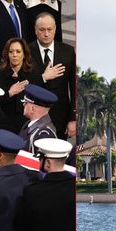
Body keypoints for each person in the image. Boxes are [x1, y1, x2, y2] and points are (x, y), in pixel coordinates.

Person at [29, 12, 76, 141]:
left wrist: (73, 119)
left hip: (60, 118)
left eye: (49, 29)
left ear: (55, 29)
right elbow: (25, 83)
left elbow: (74, 87)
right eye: (42, 30)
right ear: (35, 30)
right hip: (33, 117)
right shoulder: (26, 51)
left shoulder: (68, 52)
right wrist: (43, 77)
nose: (46, 34)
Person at [15, 138, 75, 231]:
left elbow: (23, 227)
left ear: (48, 163)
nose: (39, 161)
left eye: (40, 159)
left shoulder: (33, 191)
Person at [0, 38, 43, 134]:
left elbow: (38, 103)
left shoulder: (33, 75)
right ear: (7, 54)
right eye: (11, 52)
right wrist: (10, 93)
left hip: (26, 127)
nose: (14, 55)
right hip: (2, 125)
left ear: (24, 55)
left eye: (18, 52)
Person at [18, 84, 57, 154]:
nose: (23, 105)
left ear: (32, 108)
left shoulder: (44, 134)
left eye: (26, 103)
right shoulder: (28, 124)